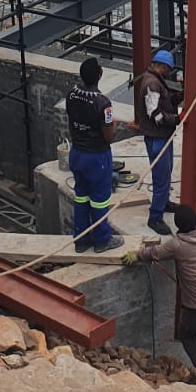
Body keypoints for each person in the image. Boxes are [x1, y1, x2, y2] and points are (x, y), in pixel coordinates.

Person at [129, 203, 196, 389]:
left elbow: (154, 253)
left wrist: (136, 255)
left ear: (177, 225)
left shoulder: (177, 245)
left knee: (186, 335)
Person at [65, 57, 124, 253]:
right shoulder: (103, 103)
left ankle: (81, 240)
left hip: (77, 153)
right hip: (96, 157)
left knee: (81, 196)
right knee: (99, 200)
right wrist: (114, 125)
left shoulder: (71, 95)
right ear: (100, 74)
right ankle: (102, 240)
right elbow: (108, 136)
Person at [134, 46, 181, 235]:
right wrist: (176, 119)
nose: (169, 73)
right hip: (157, 137)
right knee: (161, 178)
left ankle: (163, 202)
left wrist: (179, 97)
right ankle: (155, 218)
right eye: (168, 69)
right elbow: (155, 114)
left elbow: (164, 102)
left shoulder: (156, 80)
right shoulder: (152, 84)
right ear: (163, 66)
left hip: (162, 136)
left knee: (165, 173)